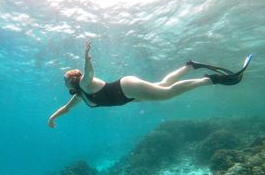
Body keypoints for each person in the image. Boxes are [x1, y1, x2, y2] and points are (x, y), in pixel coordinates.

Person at [48, 41, 252, 128]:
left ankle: (211, 79)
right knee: (163, 85)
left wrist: (86, 57)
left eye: (65, 79)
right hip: (127, 95)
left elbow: (89, 73)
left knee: (167, 93)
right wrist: (52, 117)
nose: (64, 82)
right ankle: (190, 66)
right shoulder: (79, 96)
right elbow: (66, 108)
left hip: (125, 88)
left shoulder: (84, 83)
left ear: (74, 80)